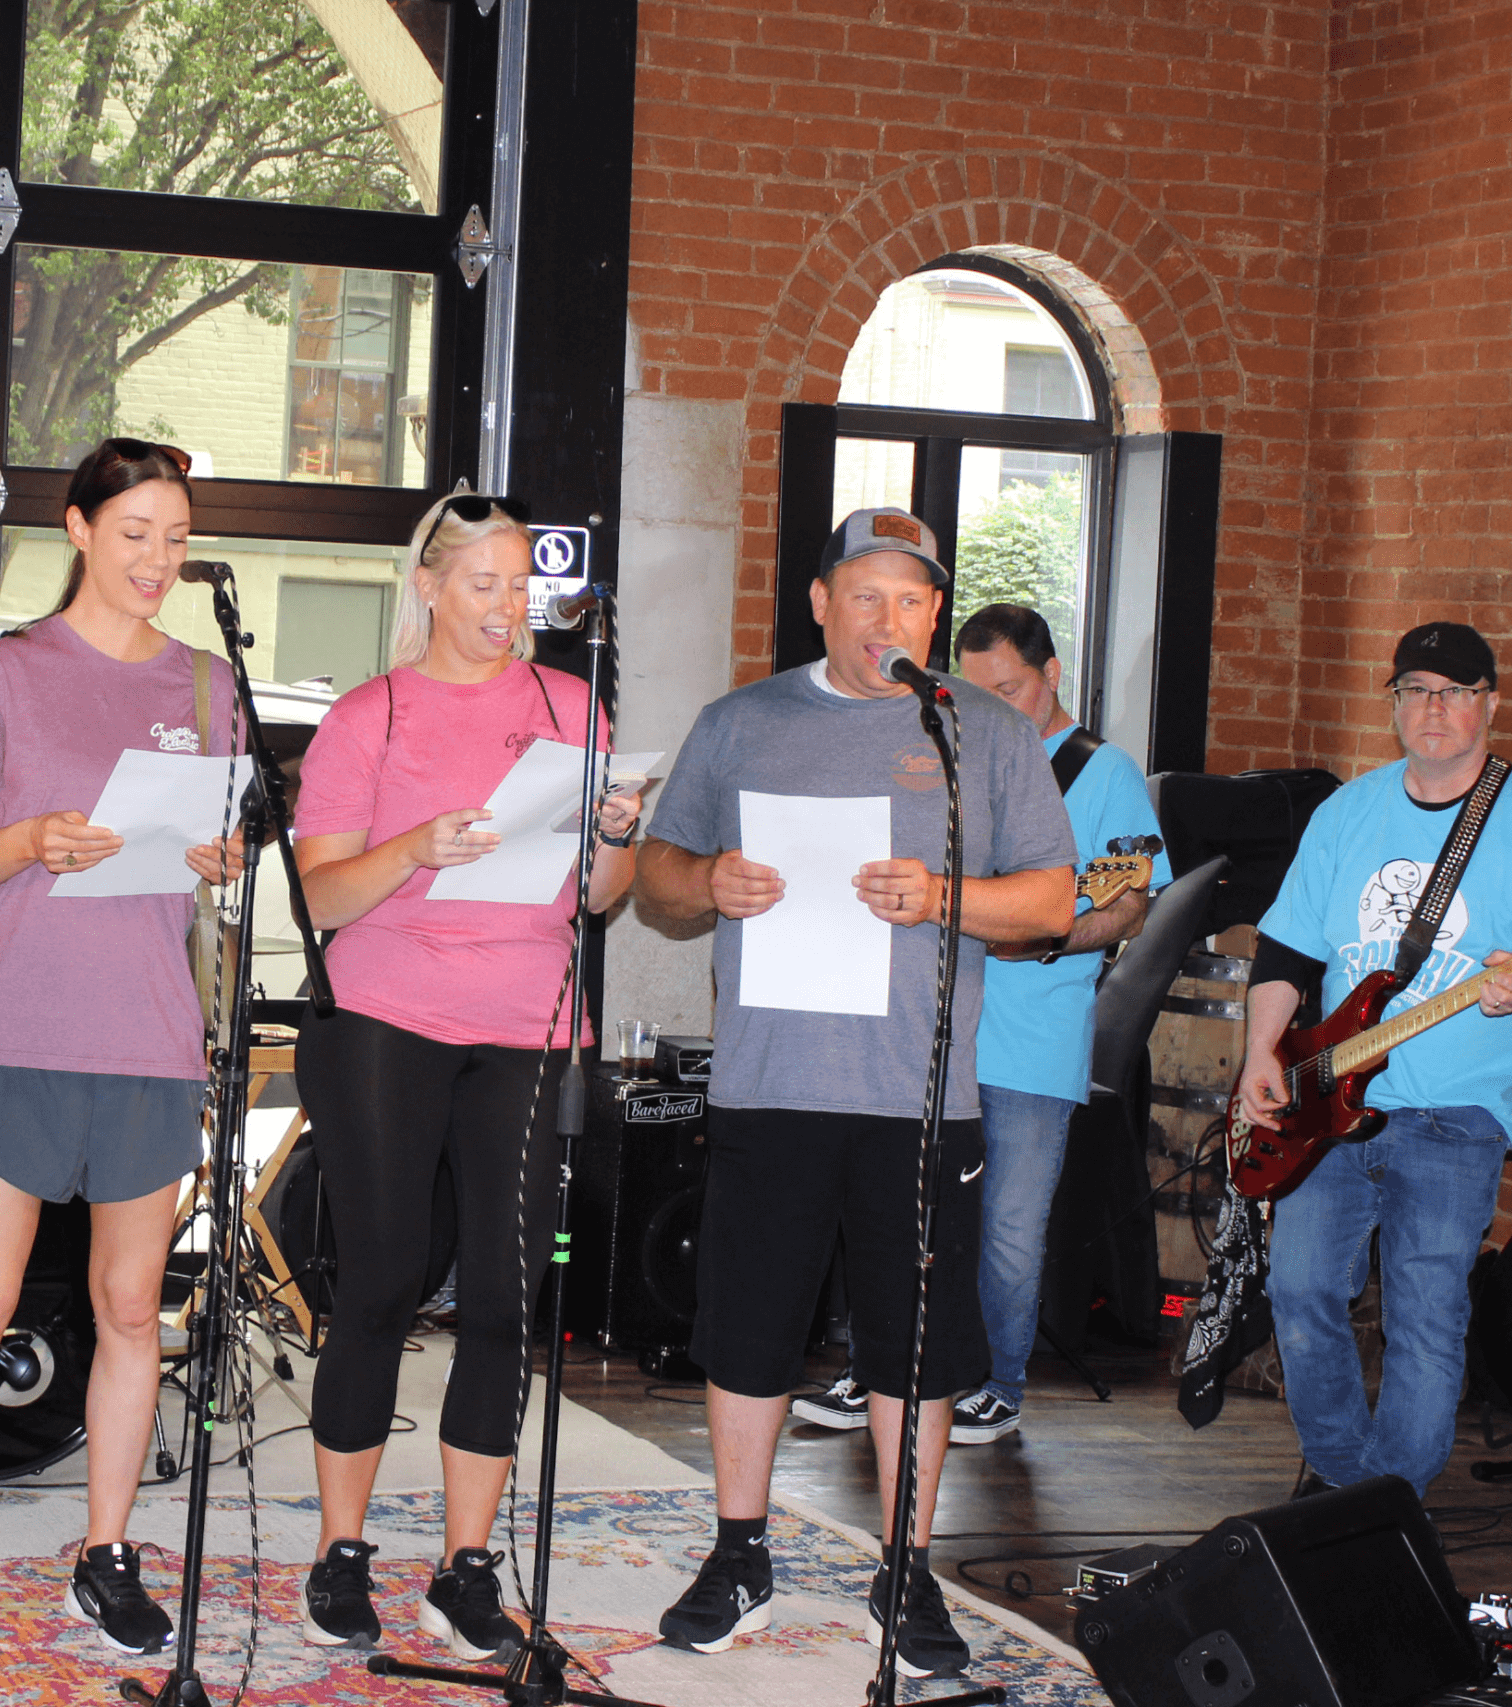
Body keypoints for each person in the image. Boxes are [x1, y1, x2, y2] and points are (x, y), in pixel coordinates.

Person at [632, 507, 1075, 1678]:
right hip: (770, 1084)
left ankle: (904, 1568)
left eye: (913, 600)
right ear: (820, 601)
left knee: (913, 1346)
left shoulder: (982, 730)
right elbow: (658, 876)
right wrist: (708, 880)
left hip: (918, 1099)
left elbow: (1050, 907)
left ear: (935, 613)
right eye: (866, 596)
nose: (891, 619)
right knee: (749, 1323)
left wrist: (943, 896)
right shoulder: (740, 722)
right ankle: (738, 1551)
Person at [0, 438, 244, 1674]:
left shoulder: (205, 685)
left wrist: (217, 863)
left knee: (132, 1310)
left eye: (176, 539)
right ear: (79, 529)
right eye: (135, 532)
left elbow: (213, 850)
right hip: (27, 1028)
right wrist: (31, 837)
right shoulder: (5, 675)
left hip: (151, 1037)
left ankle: (107, 1556)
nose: (158, 560)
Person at [286, 492, 641, 1658]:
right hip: (386, 1008)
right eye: (481, 583)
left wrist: (621, 833)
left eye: (517, 587)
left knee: (505, 1299)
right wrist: (416, 848)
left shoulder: (571, 708)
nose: (504, 607)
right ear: (429, 586)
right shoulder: (366, 717)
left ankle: (467, 1566)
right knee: (385, 1279)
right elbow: (321, 899)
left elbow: (595, 899)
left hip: (529, 1020)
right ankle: (342, 1553)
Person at [1239, 622, 1512, 1498]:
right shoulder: (1348, 811)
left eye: (1455, 691)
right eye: (1416, 691)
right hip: (1327, 1103)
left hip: (1457, 1113)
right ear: (1395, 704)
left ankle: (1387, 1503)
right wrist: (1260, 1050)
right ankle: (1347, 1483)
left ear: (1490, 704)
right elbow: (1287, 954)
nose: (1434, 709)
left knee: (1427, 1317)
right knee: (1298, 1294)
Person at [944, 604, 1169, 1444]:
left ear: (1054, 673)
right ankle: (881, 1364)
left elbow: (1133, 903)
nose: (993, 707)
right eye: (976, 692)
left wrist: (1043, 937)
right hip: (938, 1025)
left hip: (1032, 1035)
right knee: (909, 1206)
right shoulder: (957, 754)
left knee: (1007, 1223)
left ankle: (998, 1382)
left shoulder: (1101, 770)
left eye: (1009, 689)